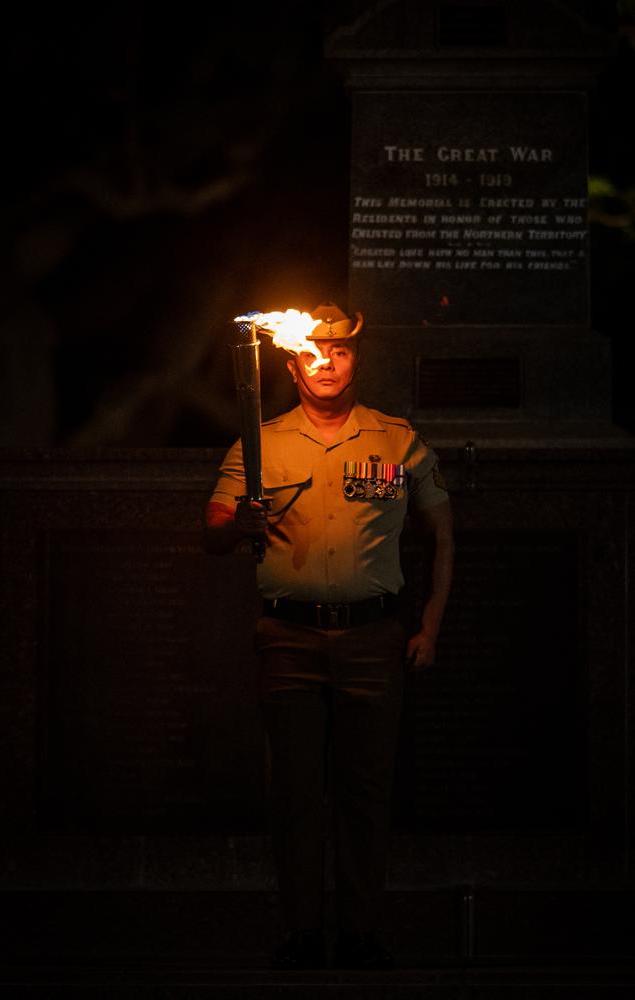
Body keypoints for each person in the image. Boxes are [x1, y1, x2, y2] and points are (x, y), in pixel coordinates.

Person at [204, 302, 454, 970]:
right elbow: (212, 529)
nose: (326, 362)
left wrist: (427, 625)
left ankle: (365, 931)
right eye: (313, 351)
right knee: (293, 793)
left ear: (355, 360)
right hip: (288, 636)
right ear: (290, 363)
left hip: (373, 639)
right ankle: (302, 932)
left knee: (366, 794)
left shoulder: (396, 439)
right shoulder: (260, 443)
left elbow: (444, 533)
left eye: (339, 351)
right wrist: (239, 527)